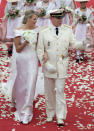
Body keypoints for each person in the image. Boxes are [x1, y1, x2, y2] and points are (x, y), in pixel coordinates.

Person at [37, 9, 87, 126]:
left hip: (61, 65)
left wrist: (83, 43)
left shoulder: (67, 30)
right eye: (58, 18)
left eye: (61, 18)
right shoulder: (44, 31)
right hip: (49, 66)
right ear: (51, 18)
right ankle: (50, 113)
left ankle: (60, 116)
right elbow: (40, 49)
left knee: (60, 90)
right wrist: (45, 64)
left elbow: (73, 44)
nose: (60, 20)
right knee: (49, 91)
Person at [5, 10, 39, 124]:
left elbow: (39, 45)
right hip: (22, 60)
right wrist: (26, 42)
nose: (36, 21)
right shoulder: (18, 31)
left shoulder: (37, 30)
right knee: (21, 83)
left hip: (33, 59)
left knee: (31, 82)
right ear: (28, 19)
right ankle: (17, 99)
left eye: (36, 19)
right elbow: (18, 49)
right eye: (34, 19)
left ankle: (27, 111)